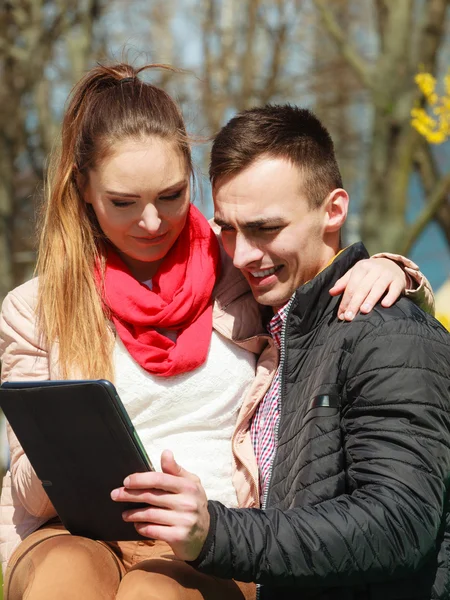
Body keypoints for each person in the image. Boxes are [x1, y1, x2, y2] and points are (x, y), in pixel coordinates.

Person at [0, 61, 434, 600]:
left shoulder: (235, 266)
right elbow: (24, 482)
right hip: (77, 528)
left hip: (215, 533)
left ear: (192, 179)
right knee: (63, 582)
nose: (152, 223)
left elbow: (312, 268)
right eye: (123, 203)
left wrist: (394, 269)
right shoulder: (38, 307)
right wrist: (57, 451)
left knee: (152, 595)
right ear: (83, 189)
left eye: (171, 195)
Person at [108, 105, 450, 600]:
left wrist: (215, 534)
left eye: (265, 228)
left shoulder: (387, 332)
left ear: (333, 211)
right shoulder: (277, 323)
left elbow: (399, 523)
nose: (242, 254)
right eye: (227, 228)